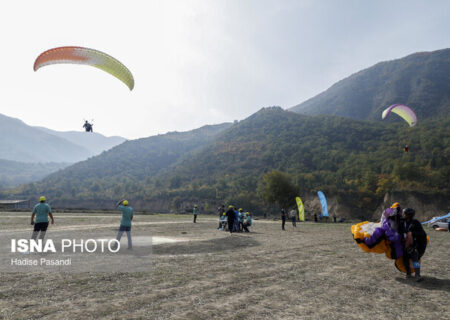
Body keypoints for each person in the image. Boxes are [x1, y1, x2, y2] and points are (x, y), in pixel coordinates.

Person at [399, 208, 427, 282]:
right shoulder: (402, 222)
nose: (403, 215)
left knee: (415, 259)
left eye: (404, 214)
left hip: (414, 245)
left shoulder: (415, 223)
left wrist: (412, 234)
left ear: (408, 215)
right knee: (405, 259)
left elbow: (422, 233)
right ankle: (408, 273)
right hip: (404, 244)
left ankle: (417, 275)